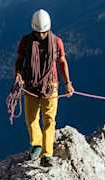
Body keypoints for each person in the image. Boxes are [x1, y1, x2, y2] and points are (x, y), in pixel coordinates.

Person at [14, 9, 72, 165]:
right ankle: (37, 145)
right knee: (31, 118)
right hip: (31, 84)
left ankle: (47, 153)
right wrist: (18, 75)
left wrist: (68, 83)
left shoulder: (56, 42)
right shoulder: (26, 41)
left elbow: (62, 62)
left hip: (50, 85)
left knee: (48, 120)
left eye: (43, 32)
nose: (40, 35)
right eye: (38, 33)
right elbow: (20, 60)